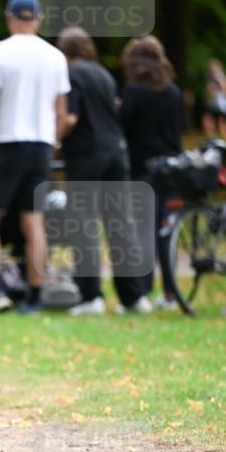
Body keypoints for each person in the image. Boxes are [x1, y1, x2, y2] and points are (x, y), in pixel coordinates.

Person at [0, 0, 70, 315]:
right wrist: (52, 142)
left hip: (5, 141)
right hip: (40, 144)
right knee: (34, 222)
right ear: (39, 19)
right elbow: (61, 113)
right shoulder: (55, 56)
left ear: (9, 17)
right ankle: (34, 296)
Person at [56, 26, 152, 315]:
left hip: (87, 155)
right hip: (116, 153)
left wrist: (54, 140)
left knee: (83, 224)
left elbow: (70, 117)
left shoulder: (71, 74)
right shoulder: (104, 74)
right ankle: (134, 297)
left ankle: (91, 297)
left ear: (66, 51)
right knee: (120, 224)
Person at [120, 35, 184, 309]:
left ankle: (142, 292)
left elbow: (123, 127)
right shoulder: (173, 91)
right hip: (171, 169)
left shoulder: (135, 92)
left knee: (143, 234)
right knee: (167, 233)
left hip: (143, 171)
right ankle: (171, 293)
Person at [202, 58, 226, 139]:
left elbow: (225, 90)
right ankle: (212, 138)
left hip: (221, 105)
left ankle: (223, 140)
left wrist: (220, 86)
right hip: (213, 105)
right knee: (207, 120)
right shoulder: (209, 79)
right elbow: (208, 93)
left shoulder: (221, 77)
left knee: (221, 124)